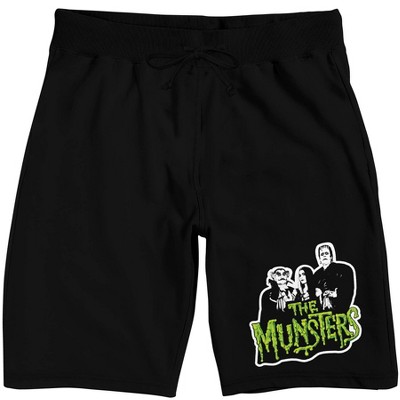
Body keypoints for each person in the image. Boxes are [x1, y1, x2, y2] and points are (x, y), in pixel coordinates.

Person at [313, 243, 355, 313]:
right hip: (322, 310)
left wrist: (336, 294)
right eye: (322, 254)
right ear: (319, 258)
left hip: (338, 308)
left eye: (326, 253)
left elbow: (347, 288)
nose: (324, 256)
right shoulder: (316, 274)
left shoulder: (342, 269)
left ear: (331, 256)